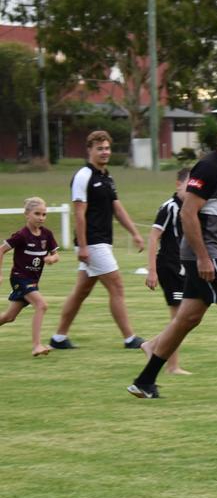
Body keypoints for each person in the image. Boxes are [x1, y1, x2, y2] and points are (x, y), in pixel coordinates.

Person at [127, 112, 217, 400]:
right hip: (207, 255)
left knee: (188, 319)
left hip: (215, 256)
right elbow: (187, 213)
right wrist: (204, 258)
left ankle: (145, 381)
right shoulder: (208, 167)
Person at [49, 130, 146, 350]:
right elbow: (79, 214)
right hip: (92, 242)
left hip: (102, 241)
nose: (105, 152)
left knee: (81, 291)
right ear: (89, 150)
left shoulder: (106, 176)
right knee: (117, 286)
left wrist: (135, 233)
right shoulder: (83, 176)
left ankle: (59, 338)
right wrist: (82, 246)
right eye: (100, 148)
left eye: (107, 148)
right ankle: (130, 338)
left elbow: (117, 208)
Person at [143, 167, 192, 375]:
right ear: (178, 184)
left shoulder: (192, 208)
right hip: (168, 268)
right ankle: (172, 366)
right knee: (178, 318)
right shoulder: (170, 207)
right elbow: (154, 237)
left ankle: (152, 345)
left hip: (183, 270)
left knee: (185, 318)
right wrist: (151, 271)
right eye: (188, 183)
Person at [0, 197, 60, 356]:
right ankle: (37, 346)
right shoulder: (21, 235)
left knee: (8, 317)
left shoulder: (47, 234)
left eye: (44, 214)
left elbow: (56, 255)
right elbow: (1, 250)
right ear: (27, 214)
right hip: (20, 278)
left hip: (32, 281)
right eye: (37, 214)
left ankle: (37, 345)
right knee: (41, 305)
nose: (41, 217)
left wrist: (51, 259)